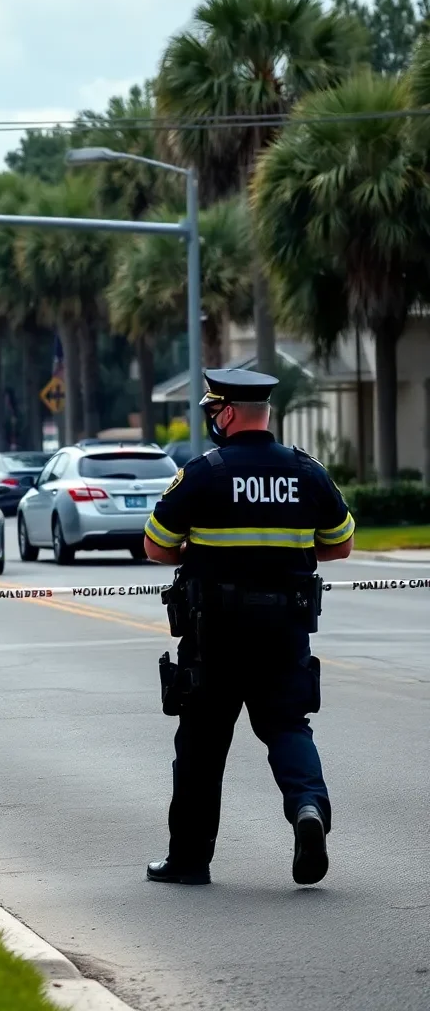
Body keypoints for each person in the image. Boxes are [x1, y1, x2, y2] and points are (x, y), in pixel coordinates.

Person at [142, 368, 355, 887]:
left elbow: (155, 545)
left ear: (229, 412)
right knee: (287, 727)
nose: (214, 420)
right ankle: (307, 809)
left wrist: (196, 548)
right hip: (284, 633)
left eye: (215, 411)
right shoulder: (307, 471)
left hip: (214, 636)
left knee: (201, 745)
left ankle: (190, 861)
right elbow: (341, 543)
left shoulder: (203, 473)